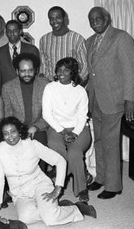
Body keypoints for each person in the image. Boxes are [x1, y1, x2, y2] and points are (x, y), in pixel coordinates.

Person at [0, 117, 96, 227]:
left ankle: (77, 208)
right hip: (20, 194)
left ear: (19, 132)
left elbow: (60, 161)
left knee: (51, 219)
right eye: (6, 133)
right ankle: (54, 208)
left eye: (13, 132)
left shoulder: (32, 145)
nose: (10, 136)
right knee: (25, 218)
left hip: (39, 185)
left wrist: (57, 188)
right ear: (2, 136)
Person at [86, 6, 134, 199]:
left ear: (107, 18)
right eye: (91, 20)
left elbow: (131, 70)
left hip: (114, 100)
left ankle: (114, 185)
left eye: (98, 19)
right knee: (99, 140)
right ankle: (100, 178)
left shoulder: (121, 37)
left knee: (110, 142)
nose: (95, 23)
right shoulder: (89, 41)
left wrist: (130, 100)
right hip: (96, 100)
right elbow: (91, 73)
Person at [42, 57, 92, 202]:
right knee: (54, 145)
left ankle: (81, 189)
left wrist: (75, 132)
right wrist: (63, 131)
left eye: (66, 70)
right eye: (59, 69)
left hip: (79, 128)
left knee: (75, 153)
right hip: (57, 127)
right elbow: (46, 114)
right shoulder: (50, 88)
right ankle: (80, 172)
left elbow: (83, 116)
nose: (61, 72)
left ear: (73, 73)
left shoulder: (80, 91)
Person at [1, 53, 49, 147]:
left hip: (39, 127)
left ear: (35, 70)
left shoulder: (45, 85)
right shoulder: (8, 87)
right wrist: (19, 130)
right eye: (23, 71)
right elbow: (8, 114)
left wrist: (36, 127)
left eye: (30, 70)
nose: (27, 74)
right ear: (17, 71)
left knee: (41, 150)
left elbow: (49, 113)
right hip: (17, 129)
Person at [39, 6, 88, 83]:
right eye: (51, 18)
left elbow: (85, 66)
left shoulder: (77, 39)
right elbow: (43, 66)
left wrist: (76, 84)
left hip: (72, 86)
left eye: (58, 17)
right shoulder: (44, 40)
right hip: (52, 87)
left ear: (65, 18)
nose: (54, 21)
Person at [0, 20, 40, 92]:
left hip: (28, 91)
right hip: (7, 94)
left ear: (20, 31)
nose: (12, 33)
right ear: (6, 33)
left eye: (15, 30)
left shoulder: (32, 50)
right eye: (9, 31)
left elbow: (36, 75)